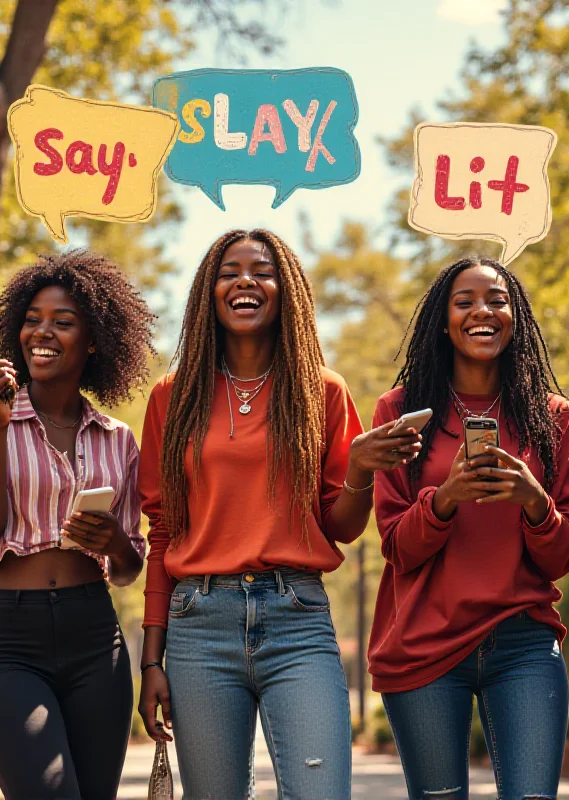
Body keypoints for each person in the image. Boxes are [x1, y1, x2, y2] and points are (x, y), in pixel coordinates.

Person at [137, 228, 421, 800]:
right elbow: (163, 530)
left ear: (285, 288)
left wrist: (362, 471)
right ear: (208, 293)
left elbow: (340, 527)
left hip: (297, 616)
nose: (246, 280)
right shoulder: (173, 395)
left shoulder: (324, 391)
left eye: (262, 270)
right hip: (199, 624)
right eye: (229, 271)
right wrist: (151, 660)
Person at [368, 257, 569, 800]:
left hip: (524, 643)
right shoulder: (402, 412)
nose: (481, 311)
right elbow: (397, 546)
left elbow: (566, 554)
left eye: (496, 299)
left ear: (516, 317)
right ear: (443, 321)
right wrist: (444, 500)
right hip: (424, 643)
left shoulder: (554, 418)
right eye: (464, 302)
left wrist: (533, 501)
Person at [0, 251, 152, 800]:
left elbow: (128, 571)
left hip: (96, 638)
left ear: (93, 341)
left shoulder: (117, 438)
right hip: (12, 641)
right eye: (32, 319)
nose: (41, 332)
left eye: (62, 322)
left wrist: (116, 543)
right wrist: (0, 430)